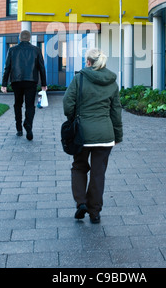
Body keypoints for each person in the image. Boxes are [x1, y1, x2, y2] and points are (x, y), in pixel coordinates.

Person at [63, 48, 123, 224]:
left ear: (88, 62)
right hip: (105, 134)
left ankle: (81, 202)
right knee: (98, 173)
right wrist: (117, 135)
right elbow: (116, 112)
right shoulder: (112, 82)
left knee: (79, 166)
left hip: (82, 133)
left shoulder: (79, 78)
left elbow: (68, 103)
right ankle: (94, 212)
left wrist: (73, 119)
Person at [1, 30, 47, 140]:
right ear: (29, 38)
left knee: (18, 104)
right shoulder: (36, 50)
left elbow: (7, 68)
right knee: (30, 105)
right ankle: (28, 124)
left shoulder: (12, 50)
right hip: (31, 81)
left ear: (20, 38)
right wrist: (44, 84)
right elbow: (41, 68)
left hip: (16, 81)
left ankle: (19, 129)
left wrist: (4, 84)